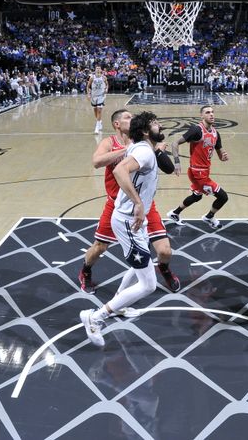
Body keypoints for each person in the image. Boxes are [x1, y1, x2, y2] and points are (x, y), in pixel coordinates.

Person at [79, 111, 166, 347]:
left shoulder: (140, 147)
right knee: (148, 284)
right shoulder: (144, 151)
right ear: (147, 131)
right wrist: (138, 203)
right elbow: (118, 171)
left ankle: (119, 303)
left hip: (133, 218)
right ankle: (96, 317)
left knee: (145, 262)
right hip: (129, 220)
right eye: (156, 123)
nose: (160, 125)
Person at [78, 109, 180, 295]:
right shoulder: (110, 142)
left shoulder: (141, 143)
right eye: (127, 117)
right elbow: (96, 162)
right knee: (100, 247)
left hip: (144, 205)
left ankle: (163, 268)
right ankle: (85, 271)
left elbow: (167, 166)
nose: (132, 119)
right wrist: (127, 150)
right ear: (117, 124)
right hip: (118, 205)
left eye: (133, 117)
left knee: (165, 251)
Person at [167, 105, 229, 230]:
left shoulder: (216, 133)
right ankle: (209, 217)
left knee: (197, 196)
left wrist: (224, 157)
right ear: (202, 116)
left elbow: (220, 155)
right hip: (197, 172)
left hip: (204, 171)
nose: (211, 114)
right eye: (207, 112)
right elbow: (175, 143)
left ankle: (175, 213)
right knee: (223, 196)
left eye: (212, 112)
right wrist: (177, 163)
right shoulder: (196, 130)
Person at [86, 66, 109, 134]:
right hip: (94, 95)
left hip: (101, 95)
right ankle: (99, 121)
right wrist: (88, 94)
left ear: (101, 70)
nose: (98, 69)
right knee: (95, 110)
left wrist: (106, 89)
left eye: (99, 68)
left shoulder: (104, 77)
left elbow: (107, 84)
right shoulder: (92, 77)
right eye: (97, 68)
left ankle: (97, 127)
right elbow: (88, 86)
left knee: (99, 110)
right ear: (95, 70)